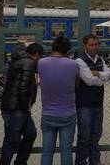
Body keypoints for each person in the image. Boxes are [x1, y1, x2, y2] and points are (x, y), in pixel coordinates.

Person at [0, 43, 44, 165]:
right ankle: (17, 162)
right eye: (39, 58)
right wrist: (26, 107)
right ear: (35, 54)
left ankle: (20, 161)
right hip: (17, 108)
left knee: (29, 134)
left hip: (15, 106)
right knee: (12, 140)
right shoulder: (28, 64)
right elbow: (24, 87)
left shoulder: (20, 61)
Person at [38, 36, 80, 165]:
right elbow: (76, 84)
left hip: (48, 113)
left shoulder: (42, 62)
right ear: (67, 50)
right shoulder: (73, 64)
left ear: (53, 47)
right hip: (68, 113)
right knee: (66, 150)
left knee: (47, 150)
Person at [75, 34, 110, 165]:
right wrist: (102, 78)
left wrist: (98, 74)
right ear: (85, 45)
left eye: (96, 44)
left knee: (96, 136)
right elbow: (89, 81)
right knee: (84, 137)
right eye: (91, 45)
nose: (94, 47)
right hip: (84, 105)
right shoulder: (79, 61)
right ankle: (81, 162)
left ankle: (95, 161)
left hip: (98, 104)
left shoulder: (100, 59)